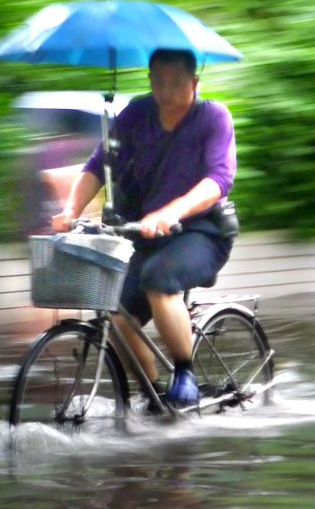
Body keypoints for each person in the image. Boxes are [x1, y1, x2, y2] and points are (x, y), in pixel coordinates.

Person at [52, 49, 237, 406]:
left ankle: (185, 373)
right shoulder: (137, 113)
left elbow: (219, 179)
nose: (166, 92)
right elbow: (96, 165)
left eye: (176, 83)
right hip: (143, 232)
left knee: (159, 280)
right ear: (150, 81)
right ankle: (153, 395)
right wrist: (70, 209)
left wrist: (171, 212)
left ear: (194, 83)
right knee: (117, 306)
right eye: (159, 82)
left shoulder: (213, 116)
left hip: (201, 231)